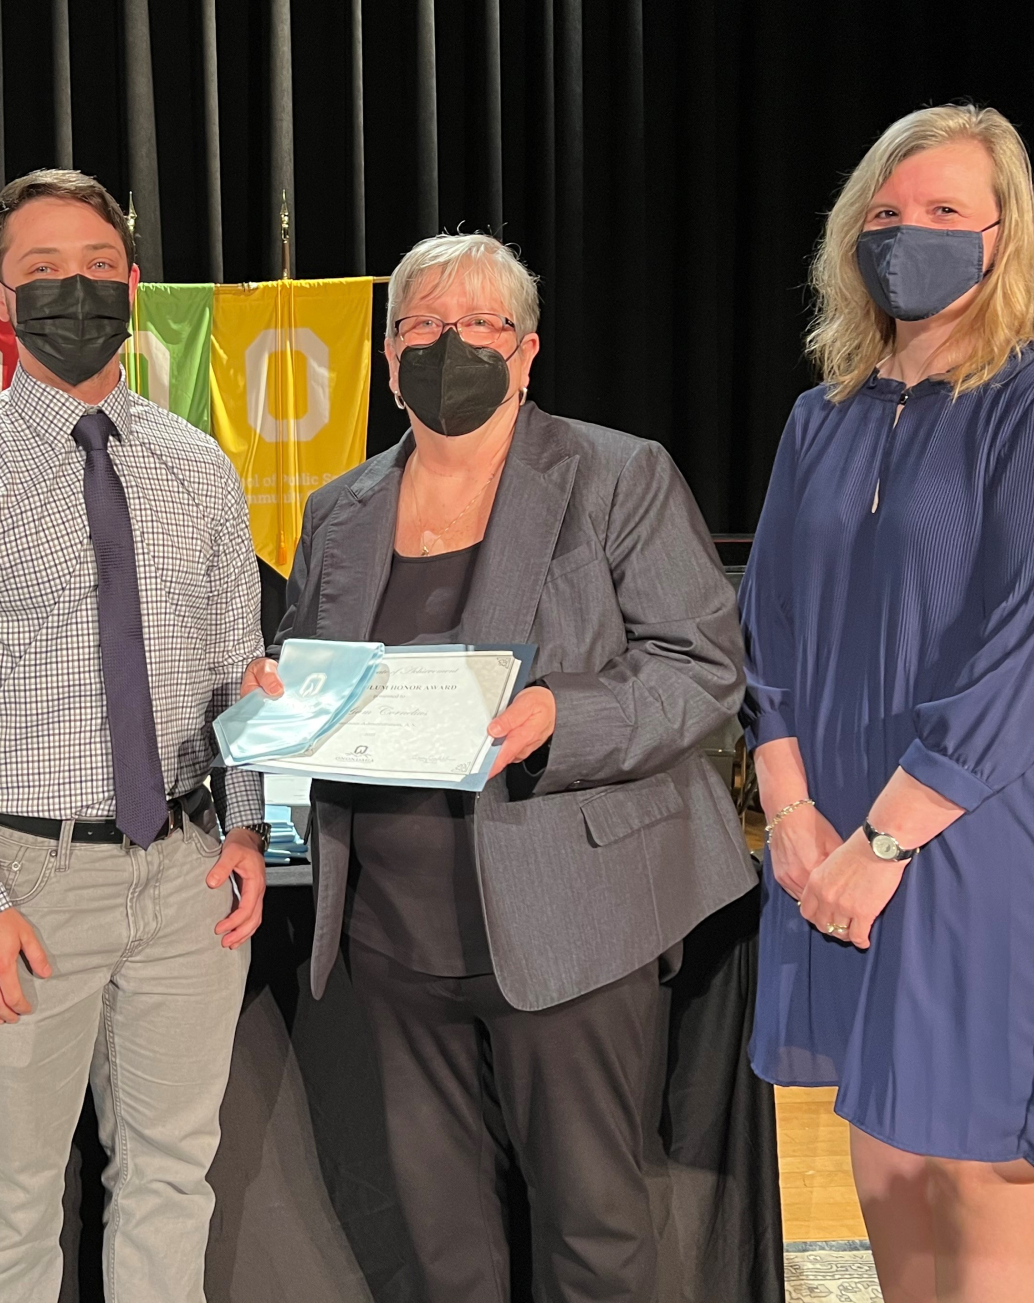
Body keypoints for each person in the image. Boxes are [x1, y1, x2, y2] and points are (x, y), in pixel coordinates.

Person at [241, 233, 757, 1302]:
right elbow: (310, 678)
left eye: (479, 326)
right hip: (391, 937)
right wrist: (274, 711)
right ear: (388, 359)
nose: (449, 344)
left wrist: (560, 717)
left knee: (595, 1229)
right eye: (422, 326)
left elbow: (701, 666)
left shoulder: (617, 474)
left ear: (526, 354)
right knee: (440, 1244)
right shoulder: (339, 510)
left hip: (574, 926)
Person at [740, 104, 1034, 1303]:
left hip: (981, 834)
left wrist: (887, 838)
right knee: (888, 1142)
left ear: (1006, 238)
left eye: (948, 212)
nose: (912, 233)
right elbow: (772, 628)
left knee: (971, 1157)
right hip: (831, 831)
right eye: (889, 213)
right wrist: (796, 818)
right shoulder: (823, 417)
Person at [0, 168, 270, 1302]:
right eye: (41, 271)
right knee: (7, 1193)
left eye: (95, 268)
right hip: (20, 883)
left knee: (173, 1178)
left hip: (190, 879)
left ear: (133, 285)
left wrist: (248, 833)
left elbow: (245, 677)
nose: (73, 290)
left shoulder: (199, 466)